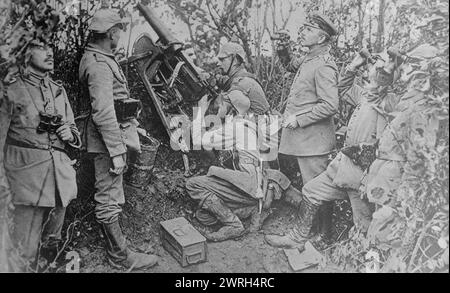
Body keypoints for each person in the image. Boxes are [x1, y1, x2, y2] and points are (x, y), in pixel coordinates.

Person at [265, 47, 404, 251]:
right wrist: (352, 67)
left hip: (365, 174)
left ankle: (366, 259)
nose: (375, 64)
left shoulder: (388, 100)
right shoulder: (365, 95)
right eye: (377, 62)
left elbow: (385, 80)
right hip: (344, 167)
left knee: (364, 225)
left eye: (381, 63)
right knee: (311, 191)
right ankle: (298, 237)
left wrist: (387, 64)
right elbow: (339, 90)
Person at [78, 9, 158, 270]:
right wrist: (116, 151)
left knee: (111, 193)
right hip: (106, 140)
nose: (120, 36)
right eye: (119, 32)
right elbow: (103, 111)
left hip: (111, 134)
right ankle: (121, 256)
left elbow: (115, 104)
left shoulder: (99, 57)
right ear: (112, 33)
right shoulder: (100, 65)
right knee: (109, 196)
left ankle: (119, 252)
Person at [0, 39, 81, 271]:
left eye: (51, 48)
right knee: (24, 248)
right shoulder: (10, 91)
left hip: (59, 179)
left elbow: (74, 132)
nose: (49, 53)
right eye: (41, 47)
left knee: (51, 245)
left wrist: (70, 134)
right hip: (26, 180)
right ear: (26, 54)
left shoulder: (58, 90)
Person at [273, 13, 339, 244]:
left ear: (321, 38)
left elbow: (330, 105)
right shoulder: (310, 59)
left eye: (309, 29)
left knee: (318, 188)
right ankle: (314, 231)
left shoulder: (323, 66)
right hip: (307, 141)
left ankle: (324, 235)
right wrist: (283, 50)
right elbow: (292, 65)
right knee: (312, 186)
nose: (303, 32)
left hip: (314, 141)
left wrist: (299, 120)